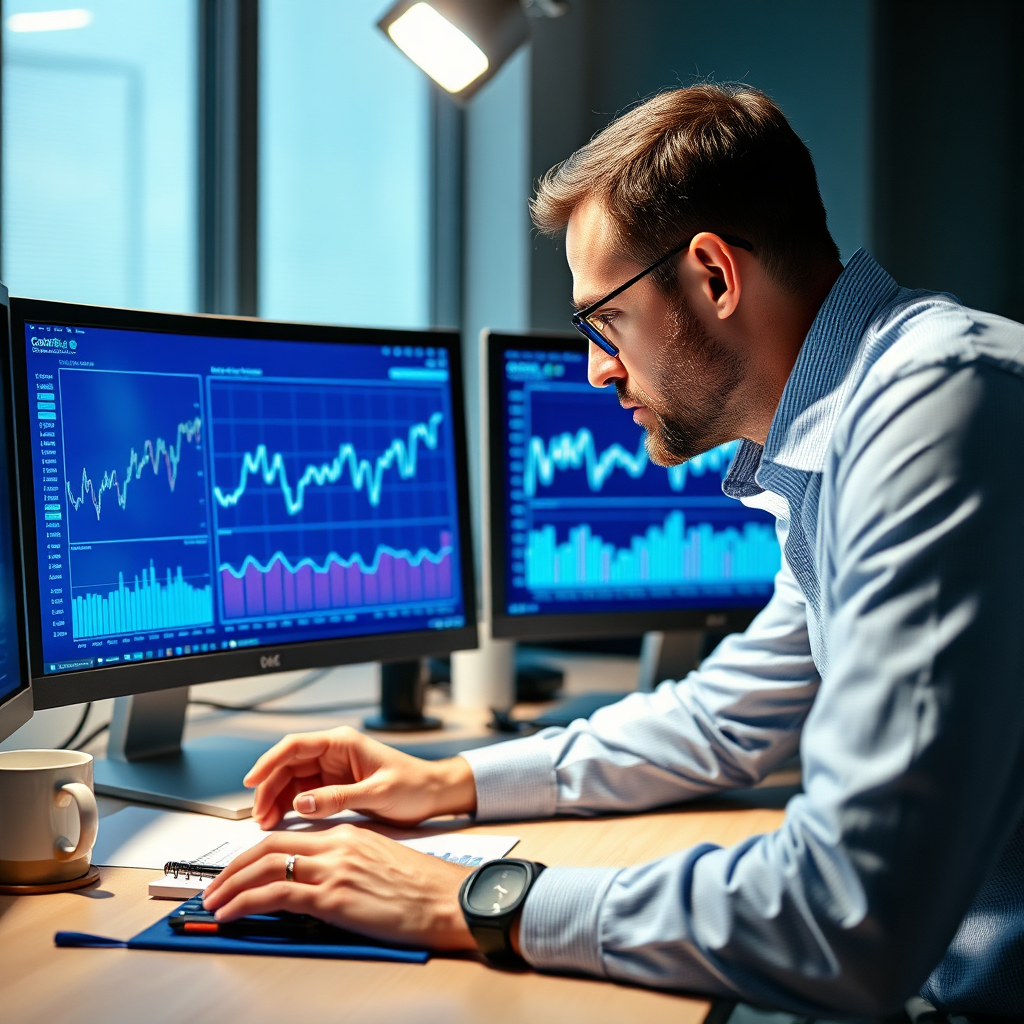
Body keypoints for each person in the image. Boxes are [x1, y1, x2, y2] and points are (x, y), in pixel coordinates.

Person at [201, 84, 1024, 1019]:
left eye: (606, 319)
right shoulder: (854, 431)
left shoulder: (935, 411)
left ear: (713, 275)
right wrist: (447, 782)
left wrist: (462, 897)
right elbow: (728, 719)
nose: (596, 366)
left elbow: (849, 915)